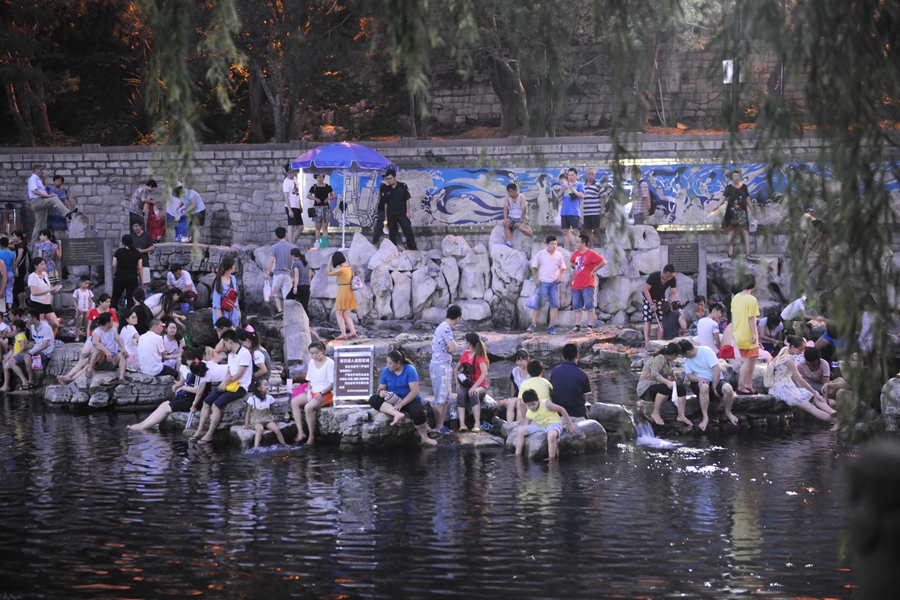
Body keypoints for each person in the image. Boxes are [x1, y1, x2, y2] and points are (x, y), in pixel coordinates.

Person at [190, 329, 251, 445]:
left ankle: (210, 434)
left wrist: (225, 383)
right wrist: (225, 382)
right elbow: (229, 370)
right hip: (229, 384)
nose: (224, 346)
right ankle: (200, 430)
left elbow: (240, 373)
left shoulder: (244, 353)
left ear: (230, 342)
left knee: (216, 405)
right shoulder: (231, 355)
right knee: (206, 402)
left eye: (224, 343)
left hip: (240, 386)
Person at [367, 350, 437, 446]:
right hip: (392, 399)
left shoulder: (410, 370)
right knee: (373, 399)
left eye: (390, 363)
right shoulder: (386, 371)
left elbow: (414, 391)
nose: (388, 365)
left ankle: (424, 437)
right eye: (387, 362)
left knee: (418, 413)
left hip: (408, 399)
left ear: (398, 363)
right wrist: (381, 392)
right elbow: (380, 388)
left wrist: (401, 403)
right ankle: (396, 414)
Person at [127, 356, 207, 431]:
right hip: (187, 396)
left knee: (166, 407)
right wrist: (177, 386)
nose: (187, 363)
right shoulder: (189, 368)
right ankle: (142, 424)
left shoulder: (200, 370)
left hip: (194, 400)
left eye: (188, 361)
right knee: (163, 404)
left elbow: (198, 391)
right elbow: (182, 381)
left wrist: (184, 388)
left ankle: (142, 427)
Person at [769, 336, 836, 422]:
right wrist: (815, 392)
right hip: (783, 389)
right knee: (811, 408)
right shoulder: (789, 360)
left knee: (812, 396)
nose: (802, 352)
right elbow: (800, 380)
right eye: (800, 349)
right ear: (793, 347)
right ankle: (837, 420)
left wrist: (814, 393)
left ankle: (833, 412)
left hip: (785, 385)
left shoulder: (784, 350)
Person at [679, 339, 739, 429]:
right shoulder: (687, 358)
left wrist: (714, 388)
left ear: (688, 352)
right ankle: (705, 417)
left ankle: (728, 412)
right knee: (704, 387)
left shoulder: (706, 351)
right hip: (699, 383)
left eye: (683, 355)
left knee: (728, 388)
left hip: (715, 380)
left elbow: (716, 370)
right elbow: (689, 376)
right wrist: (699, 379)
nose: (684, 357)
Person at [291, 341, 335, 445]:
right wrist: (308, 388)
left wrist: (321, 393)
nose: (314, 355)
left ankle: (311, 436)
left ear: (322, 351)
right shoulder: (311, 363)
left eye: (316, 353)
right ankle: (301, 432)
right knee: (294, 402)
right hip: (313, 391)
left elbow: (332, 384)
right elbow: (310, 379)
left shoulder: (330, 363)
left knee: (308, 407)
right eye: (312, 353)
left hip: (326, 393)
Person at [515, 389, 577, 459]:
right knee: (520, 431)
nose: (532, 407)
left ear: (538, 400)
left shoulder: (545, 404)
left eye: (533, 404)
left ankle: (551, 458)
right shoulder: (529, 413)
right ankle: (518, 454)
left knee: (551, 435)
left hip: (553, 424)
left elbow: (561, 409)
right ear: (525, 404)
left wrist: (569, 424)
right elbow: (527, 425)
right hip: (540, 426)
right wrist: (525, 429)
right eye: (529, 405)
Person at [636, 342, 688, 427]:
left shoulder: (667, 362)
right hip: (646, 389)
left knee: (681, 389)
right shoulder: (660, 358)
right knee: (665, 388)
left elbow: (671, 374)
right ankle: (655, 413)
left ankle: (681, 415)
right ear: (673, 355)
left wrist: (672, 378)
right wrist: (667, 382)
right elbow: (655, 374)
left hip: (658, 387)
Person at [430, 304, 461, 434]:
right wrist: (452, 348)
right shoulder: (446, 328)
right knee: (441, 397)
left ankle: (441, 424)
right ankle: (438, 426)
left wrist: (450, 348)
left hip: (444, 365)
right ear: (458, 318)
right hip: (440, 365)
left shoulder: (443, 327)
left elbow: (450, 347)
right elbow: (454, 348)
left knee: (446, 397)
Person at [709, 169, 752, 258]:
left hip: (742, 213)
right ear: (732, 177)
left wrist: (752, 208)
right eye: (734, 176)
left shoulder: (744, 187)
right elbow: (723, 198)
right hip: (731, 212)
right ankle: (730, 252)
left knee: (745, 231)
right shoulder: (729, 187)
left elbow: (747, 198)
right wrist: (717, 206)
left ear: (740, 177)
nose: (736, 178)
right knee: (731, 232)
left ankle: (748, 253)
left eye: (738, 176)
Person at [528, 235, 567, 334]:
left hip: (554, 283)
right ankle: (533, 325)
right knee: (539, 305)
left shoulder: (559, 255)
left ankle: (551, 326)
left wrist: (561, 277)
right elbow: (533, 267)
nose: (554, 246)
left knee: (554, 304)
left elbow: (563, 268)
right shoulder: (540, 254)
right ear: (546, 245)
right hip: (543, 282)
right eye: (552, 244)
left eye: (555, 244)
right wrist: (536, 279)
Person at [27, 164, 73, 241]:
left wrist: (47, 196)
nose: (42, 172)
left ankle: (34, 242)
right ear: (36, 170)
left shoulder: (37, 179)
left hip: (40, 202)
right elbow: (34, 191)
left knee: (39, 225)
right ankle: (67, 212)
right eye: (41, 170)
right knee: (54, 198)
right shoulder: (33, 178)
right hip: (38, 201)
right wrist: (48, 196)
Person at [570, 234, 606, 333]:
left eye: (578, 242)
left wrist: (594, 269)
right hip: (576, 284)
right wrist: (575, 267)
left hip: (587, 284)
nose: (576, 244)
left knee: (589, 305)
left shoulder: (591, 253)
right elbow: (571, 261)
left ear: (583, 243)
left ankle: (590, 326)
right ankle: (577, 325)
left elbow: (603, 262)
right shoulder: (576, 253)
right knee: (577, 306)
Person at [454, 332, 489, 433]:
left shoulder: (480, 357)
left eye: (466, 341)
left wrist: (474, 387)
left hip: (480, 386)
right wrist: (457, 383)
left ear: (469, 343)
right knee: (460, 394)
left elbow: (484, 373)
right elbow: (456, 369)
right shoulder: (465, 354)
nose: (465, 343)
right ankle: (462, 424)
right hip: (467, 384)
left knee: (474, 394)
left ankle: (477, 424)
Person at [732, 275, 760, 395]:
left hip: (738, 333)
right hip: (747, 333)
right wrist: (754, 334)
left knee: (752, 359)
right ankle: (741, 386)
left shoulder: (735, 298)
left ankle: (748, 384)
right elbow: (751, 318)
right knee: (748, 360)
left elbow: (733, 316)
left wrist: (733, 332)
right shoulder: (751, 299)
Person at [377, 169, 418, 250]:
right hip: (391, 214)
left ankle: (412, 248)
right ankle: (394, 249)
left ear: (394, 177)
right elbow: (386, 203)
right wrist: (386, 217)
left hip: (402, 213)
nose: (388, 181)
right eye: (387, 179)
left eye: (390, 178)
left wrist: (408, 212)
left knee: (408, 230)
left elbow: (407, 199)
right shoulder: (386, 189)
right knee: (392, 233)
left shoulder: (402, 186)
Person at [549, 343, 591, 419]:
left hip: (558, 413)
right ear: (577, 355)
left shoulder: (554, 371)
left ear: (563, 356)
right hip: (577, 413)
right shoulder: (582, 374)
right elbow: (585, 398)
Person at [243, 380, 288, 449]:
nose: (268, 386)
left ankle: (284, 444)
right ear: (259, 388)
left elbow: (272, 409)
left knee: (276, 429)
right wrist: (246, 424)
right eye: (265, 385)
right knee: (260, 429)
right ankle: (256, 447)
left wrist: (271, 416)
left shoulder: (269, 398)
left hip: (267, 418)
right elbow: (248, 413)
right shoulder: (252, 399)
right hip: (256, 420)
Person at [641, 265, 678, 348]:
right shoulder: (654, 276)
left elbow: (673, 293)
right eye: (668, 276)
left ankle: (659, 342)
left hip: (661, 298)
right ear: (663, 272)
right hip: (649, 298)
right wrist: (651, 303)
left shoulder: (672, 279)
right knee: (647, 319)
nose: (669, 278)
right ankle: (647, 342)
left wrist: (674, 303)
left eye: (671, 276)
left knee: (662, 319)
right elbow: (646, 289)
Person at [87, 312, 129, 382]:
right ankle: (90, 369)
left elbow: (118, 339)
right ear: (107, 323)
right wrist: (106, 351)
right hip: (99, 360)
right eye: (112, 320)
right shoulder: (97, 331)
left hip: (111, 359)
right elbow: (95, 343)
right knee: (99, 350)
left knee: (122, 355)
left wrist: (123, 349)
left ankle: (121, 378)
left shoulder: (112, 330)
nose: (113, 322)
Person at [326, 251, 358, 340]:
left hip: (343, 290)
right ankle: (353, 332)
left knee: (338, 313)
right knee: (345, 313)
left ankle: (343, 334)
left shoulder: (341, 270)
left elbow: (328, 273)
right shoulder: (349, 267)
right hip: (349, 290)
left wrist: (329, 262)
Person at [28, 257, 61, 338]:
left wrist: (55, 289)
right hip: (37, 303)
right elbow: (34, 292)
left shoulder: (45, 274)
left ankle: (50, 340)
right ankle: (37, 340)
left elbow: (47, 289)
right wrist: (49, 290)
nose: (44, 266)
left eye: (44, 264)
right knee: (39, 325)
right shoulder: (32, 276)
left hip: (47, 303)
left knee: (55, 324)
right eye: (42, 264)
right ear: (36, 266)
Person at [264, 226, 294, 317]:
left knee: (274, 293)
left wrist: (267, 272)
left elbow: (272, 260)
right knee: (287, 296)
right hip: (288, 274)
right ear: (285, 234)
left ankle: (280, 310)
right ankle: (287, 313)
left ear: (277, 236)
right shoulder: (291, 247)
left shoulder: (275, 247)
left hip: (278, 274)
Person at [517, 359, 553, 425]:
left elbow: (522, 403)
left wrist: (524, 418)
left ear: (528, 371)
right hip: (547, 413)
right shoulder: (547, 383)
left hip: (532, 414)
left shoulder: (524, 384)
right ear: (541, 371)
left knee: (519, 403)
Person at [111, 235, 142, 311]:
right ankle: (129, 314)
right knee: (131, 298)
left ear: (123, 242)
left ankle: (113, 314)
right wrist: (141, 279)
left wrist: (115, 272)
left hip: (120, 276)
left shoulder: (118, 252)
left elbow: (114, 264)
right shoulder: (137, 253)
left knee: (115, 296)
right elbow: (140, 267)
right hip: (132, 277)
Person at [1, 319, 32, 391]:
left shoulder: (20, 335)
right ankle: (6, 385)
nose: (12, 327)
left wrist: (16, 354)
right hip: (18, 353)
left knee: (6, 367)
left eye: (14, 326)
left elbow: (23, 346)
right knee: (5, 367)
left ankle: (9, 385)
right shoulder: (20, 335)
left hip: (21, 354)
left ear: (18, 328)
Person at [581, 168, 610, 247]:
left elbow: (603, 197)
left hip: (595, 211)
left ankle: (602, 245)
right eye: (589, 174)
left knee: (598, 229)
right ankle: (592, 245)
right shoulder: (582, 185)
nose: (591, 176)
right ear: (586, 175)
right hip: (586, 212)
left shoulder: (598, 184)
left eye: (593, 174)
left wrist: (602, 209)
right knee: (588, 229)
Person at [559, 168, 584, 251]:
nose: (570, 177)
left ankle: (578, 250)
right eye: (569, 175)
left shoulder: (579, 185)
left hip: (574, 212)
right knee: (565, 232)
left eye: (572, 175)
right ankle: (567, 250)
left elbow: (582, 195)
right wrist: (564, 189)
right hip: (564, 212)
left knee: (576, 231)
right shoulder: (564, 185)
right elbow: (558, 195)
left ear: (576, 175)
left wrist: (572, 188)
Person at [212, 256, 241, 327]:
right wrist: (222, 322)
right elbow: (216, 304)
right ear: (232, 266)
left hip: (233, 314)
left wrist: (239, 312)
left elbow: (235, 298)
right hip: (223, 314)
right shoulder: (219, 281)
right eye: (234, 265)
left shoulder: (233, 279)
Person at [307, 173, 335, 246]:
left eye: (321, 177)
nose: (319, 179)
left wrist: (328, 198)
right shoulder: (314, 186)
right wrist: (315, 198)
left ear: (323, 177)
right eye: (318, 177)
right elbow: (308, 195)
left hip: (325, 208)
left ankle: (324, 243)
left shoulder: (328, 186)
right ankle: (317, 242)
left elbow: (333, 195)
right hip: (317, 208)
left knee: (325, 227)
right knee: (317, 227)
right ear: (316, 178)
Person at [506, 349, 530, 423]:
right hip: (518, 393)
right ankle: (509, 424)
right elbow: (513, 385)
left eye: (521, 361)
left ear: (527, 359)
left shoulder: (531, 370)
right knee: (510, 403)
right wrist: (512, 397)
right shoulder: (515, 371)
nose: (519, 363)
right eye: (517, 361)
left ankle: (519, 423)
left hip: (528, 394)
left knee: (519, 404)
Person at [283, 164, 304, 245]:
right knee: (291, 226)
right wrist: (290, 210)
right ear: (287, 173)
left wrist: (300, 204)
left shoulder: (295, 178)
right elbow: (286, 197)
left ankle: (293, 243)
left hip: (297, 205)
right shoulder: (286, 183)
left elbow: (297, 193)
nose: (292, 174)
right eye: (290, 173)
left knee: (300, 227)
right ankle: (291, 244)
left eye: (293, 172)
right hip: (291, 206)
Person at [286, 248, 311, 316]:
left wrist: (295, 287)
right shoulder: (306, 263)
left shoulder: (296, 263)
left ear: (293, 255)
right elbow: (309, 276)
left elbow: (297, 276)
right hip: (307, 287)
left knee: (288, 299)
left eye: (291, 256)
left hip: (300, 286)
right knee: (304, 307)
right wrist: (309, 286)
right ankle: (307, 320)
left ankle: (290, 315)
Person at [10, 231, 28, 310]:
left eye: (14, 236)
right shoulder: (20, 244)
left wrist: (15, 264)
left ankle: (21, 305)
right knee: (21, 286)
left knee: (19, 286)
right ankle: (24, 304)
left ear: (19, 237)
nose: (13, 238)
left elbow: (20, 255)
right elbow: (9, 244)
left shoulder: (21, 245)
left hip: (20, 267)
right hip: (22, 267)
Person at [72, 276, 93, 341]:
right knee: (78, 324)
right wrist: (78, 308)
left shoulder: (89, 291)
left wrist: (90, 309)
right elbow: (74, 300)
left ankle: (88, 337)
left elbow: (90, 300)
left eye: (88, 283)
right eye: (85, 283)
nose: (87, 285)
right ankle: (77, 337)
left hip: (87, 310)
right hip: (79, 310)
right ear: (81, 282)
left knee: (87, 324)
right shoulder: (77, 291)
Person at [0, 237, 14, 314]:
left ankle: (3, 310)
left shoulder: (0, 253)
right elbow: (14, 265)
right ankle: (10, 308)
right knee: (9, 291)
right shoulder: (12, 253)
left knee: (2, 290)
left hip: (2, 274)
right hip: (10, 273)